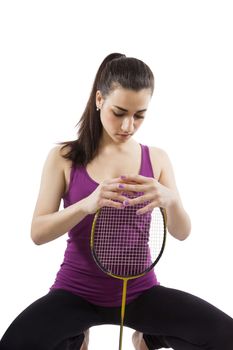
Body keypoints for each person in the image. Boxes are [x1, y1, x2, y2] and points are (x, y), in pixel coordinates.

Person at [0, 53, 233, 350]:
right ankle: (76, 335)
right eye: (119, 112)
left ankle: (148, 337)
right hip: (75, 293)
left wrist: (170, 199)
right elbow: (38, 232)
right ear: (99, 99)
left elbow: (182, 232)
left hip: (139, 293)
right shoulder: (63, 158)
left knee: (227, 337)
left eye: (139, 115)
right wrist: (86, 204)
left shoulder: (157, 158)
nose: (128, 125)